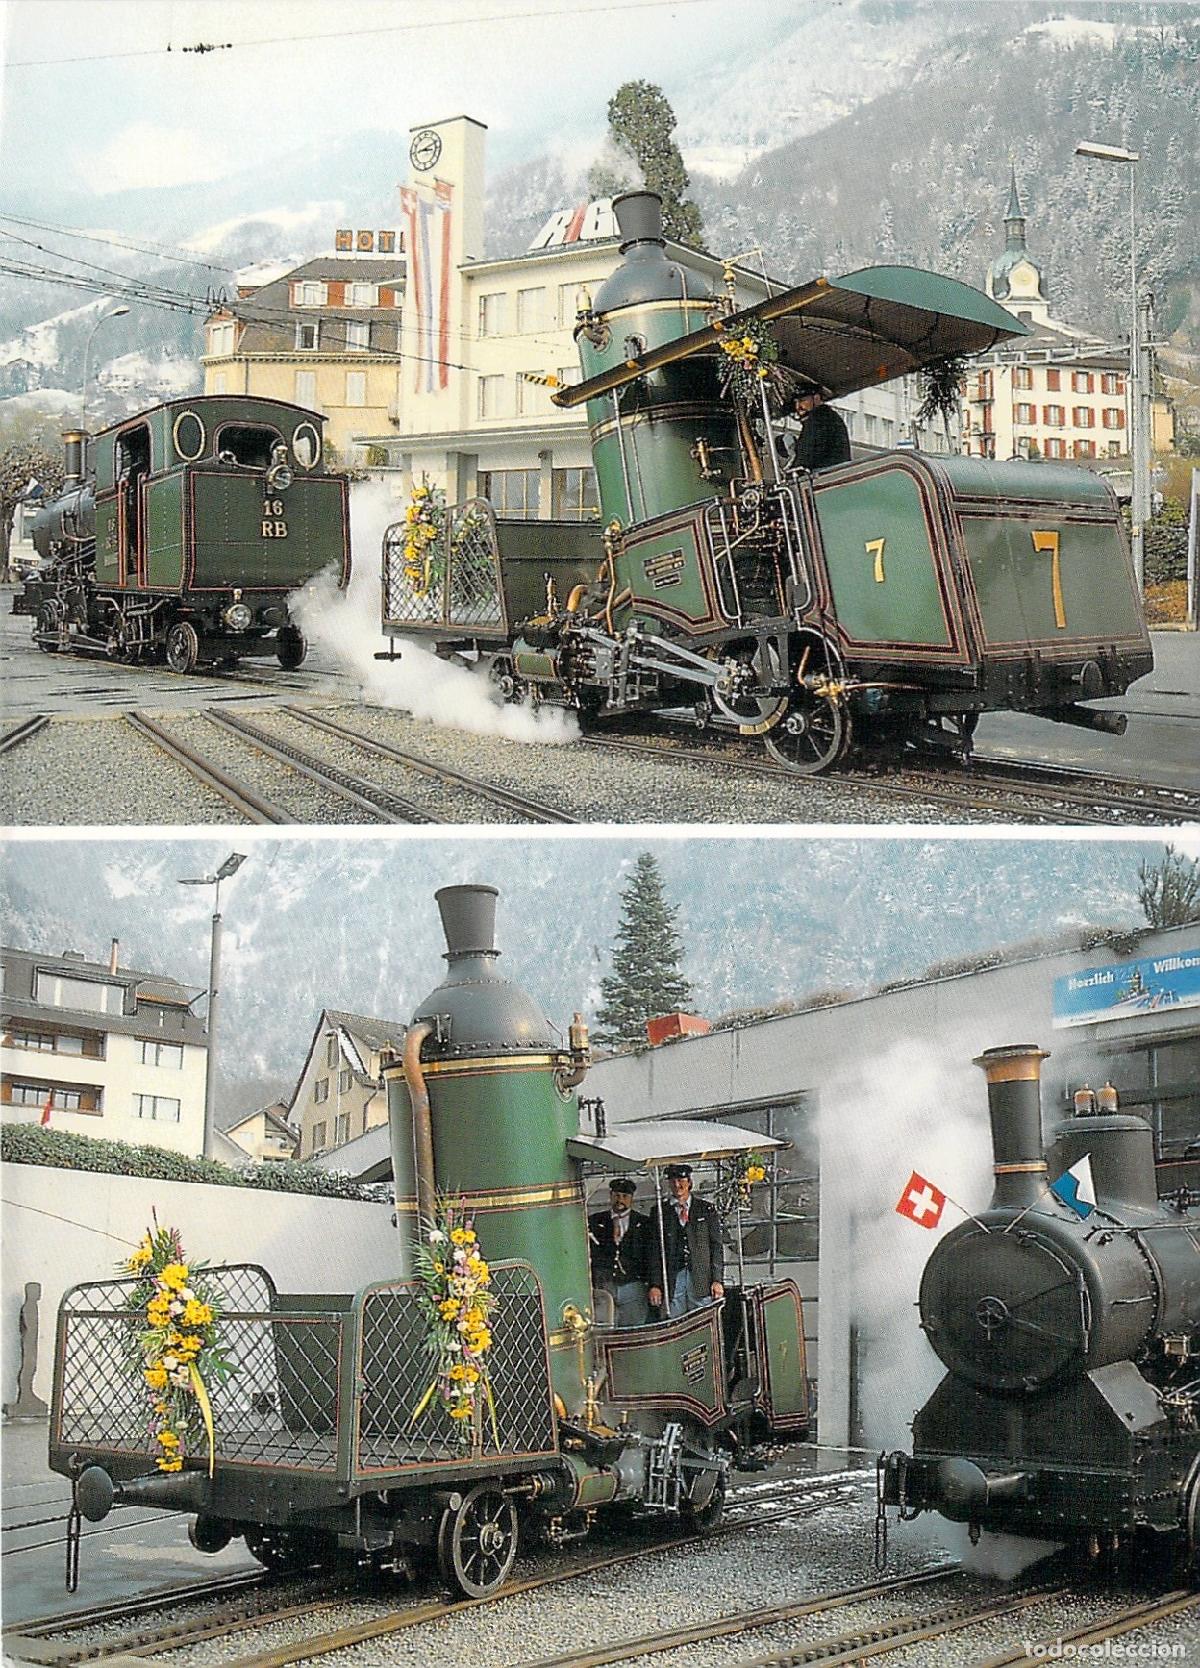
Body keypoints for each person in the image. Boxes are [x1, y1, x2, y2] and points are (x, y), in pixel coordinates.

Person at [647, 1163, 725, 1319]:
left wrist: (717, 1280)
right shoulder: (660, 1212)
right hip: (673, 1278)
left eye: (681, 1180)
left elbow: (716, 1247)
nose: (677, 1185)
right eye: (673, 1181)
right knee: (674, 1321)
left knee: (702, 1320)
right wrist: (655, 1284)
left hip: (701, 1279)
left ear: (689, 1182)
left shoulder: (706, 1210)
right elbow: (654, 1252)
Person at [588, 1176, 652, 1327]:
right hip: (605, 1285)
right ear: (611, 1195)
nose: (620, 1200)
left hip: (633, 1285)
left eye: (625, 1196)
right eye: (616, 1195)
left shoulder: (643, 1223)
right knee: (605, 1328)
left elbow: (650, 1256)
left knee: (634, 1329)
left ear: (631, 1198)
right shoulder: (596, 1221)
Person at [786, 385, 851, 473]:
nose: (798, 406)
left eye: (802, 401)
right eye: (796, 402)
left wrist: (794, 471)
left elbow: (808, 453)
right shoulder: (828, 417)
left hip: (825, 475)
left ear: (816, 398)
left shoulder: (818, 419)